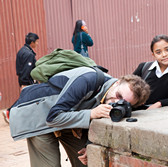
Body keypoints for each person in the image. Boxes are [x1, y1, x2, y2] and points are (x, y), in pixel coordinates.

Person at [9, 67, 150, 167]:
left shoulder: (112, 99)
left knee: (87, 160)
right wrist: (91, 113)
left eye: (122, 101)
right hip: (39, 115)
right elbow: (53, 117)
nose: (115, 101)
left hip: (67, 117)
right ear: (117, 82)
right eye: (118, 95)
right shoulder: (88, 79)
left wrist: (88, 145)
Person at [133, 34, 168, 110]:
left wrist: (160, 103)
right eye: (158, 52)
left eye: (167, 49)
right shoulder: (144, 68)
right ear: (153, 55)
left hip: (162, 114)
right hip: (138, 113)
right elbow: (129, 87)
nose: (164, 55)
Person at [2, 32, 39, 123]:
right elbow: (27, 70)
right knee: (25, 99)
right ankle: (9, 112)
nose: (37, 44)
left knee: (28, 99)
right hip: (27, 80)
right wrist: (25, 83)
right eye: (37, 42)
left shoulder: (22, 50)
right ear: (32, 42)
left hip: (22, 79)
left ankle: (17, 114)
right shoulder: (29, 54)